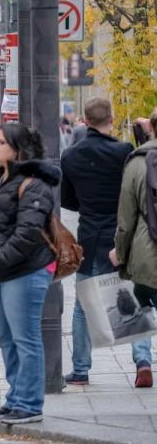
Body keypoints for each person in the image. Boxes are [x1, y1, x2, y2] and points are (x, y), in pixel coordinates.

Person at [0, 123, 57, 425]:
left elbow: (28, 233)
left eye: (1, 143)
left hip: (25, 270)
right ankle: (14, 398)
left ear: (18, 149)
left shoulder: (34, 183)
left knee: (26, 339)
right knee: (7, 339)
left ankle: (30, 404)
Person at [60, 98, 147, 386]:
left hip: (89, 236)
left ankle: (81, 369)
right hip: (119, 237)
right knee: (133, 298)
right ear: (111, 119)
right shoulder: (123, 152)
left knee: (82, 306)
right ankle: (142, 361)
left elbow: (67, 199)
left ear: (84, 120)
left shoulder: (70, 156)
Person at [111, 107, 157, 388]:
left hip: (145, 250)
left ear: (150, 127)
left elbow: (126, 217)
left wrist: (120, 251)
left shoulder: (137, 162)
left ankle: (143, 363)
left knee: (140, 305)